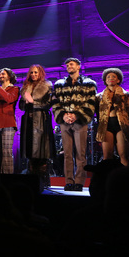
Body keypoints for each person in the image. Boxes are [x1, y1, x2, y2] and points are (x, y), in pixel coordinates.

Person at [52, 58, 97, 191]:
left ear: (78, 66)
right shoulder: (59, 84)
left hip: (80, 121)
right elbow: (55, 102)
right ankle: (68, 181)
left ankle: (79, 181)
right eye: (67, 65)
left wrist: (76, 115)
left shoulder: (89, 83)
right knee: (66, 153)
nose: (68, 66)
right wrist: (64, 115)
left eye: (71, 64)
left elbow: (91, 102)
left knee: (80, 153)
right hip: (64, 121)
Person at [18, 65, 55, 171]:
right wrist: (25, 102)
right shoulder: (26, 87)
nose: (33, 74)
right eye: (31, 72)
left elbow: (48, 104)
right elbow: (21, 107)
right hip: (28, 121)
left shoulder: (47, 86)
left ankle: (42, 177)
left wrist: (33, 102)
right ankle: (31, 174)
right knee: (29, 149)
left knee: (41, 151)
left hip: (41, 120)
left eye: (36, 72)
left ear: (40, 73)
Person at [95, 68, 129, 166]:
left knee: (123, 155)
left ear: (118, 80)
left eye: (113, 76)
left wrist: (127, 122)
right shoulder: (99, 96)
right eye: (108, 77)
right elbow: (97, 112)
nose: (110, 78)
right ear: (105, 80)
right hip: (106, 125)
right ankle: (108, 179)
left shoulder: (126, 95)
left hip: (121, 125)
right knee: (107, 156)